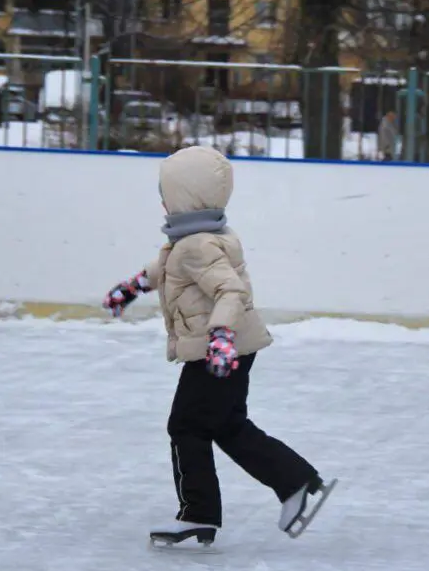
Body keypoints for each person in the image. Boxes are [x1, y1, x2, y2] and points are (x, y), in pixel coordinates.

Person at [102, 145, 336, 548]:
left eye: (167, 192)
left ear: (185, 197)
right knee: (226, 425)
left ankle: (199, 512)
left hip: (219, 350)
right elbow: (168, 267)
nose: (161, 200)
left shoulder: (196, 245)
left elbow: (230, 290)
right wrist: (134, 286)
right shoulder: (198, 238)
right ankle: (294, 480)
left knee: (186, 425)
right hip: (230, 348)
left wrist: (221, 336)